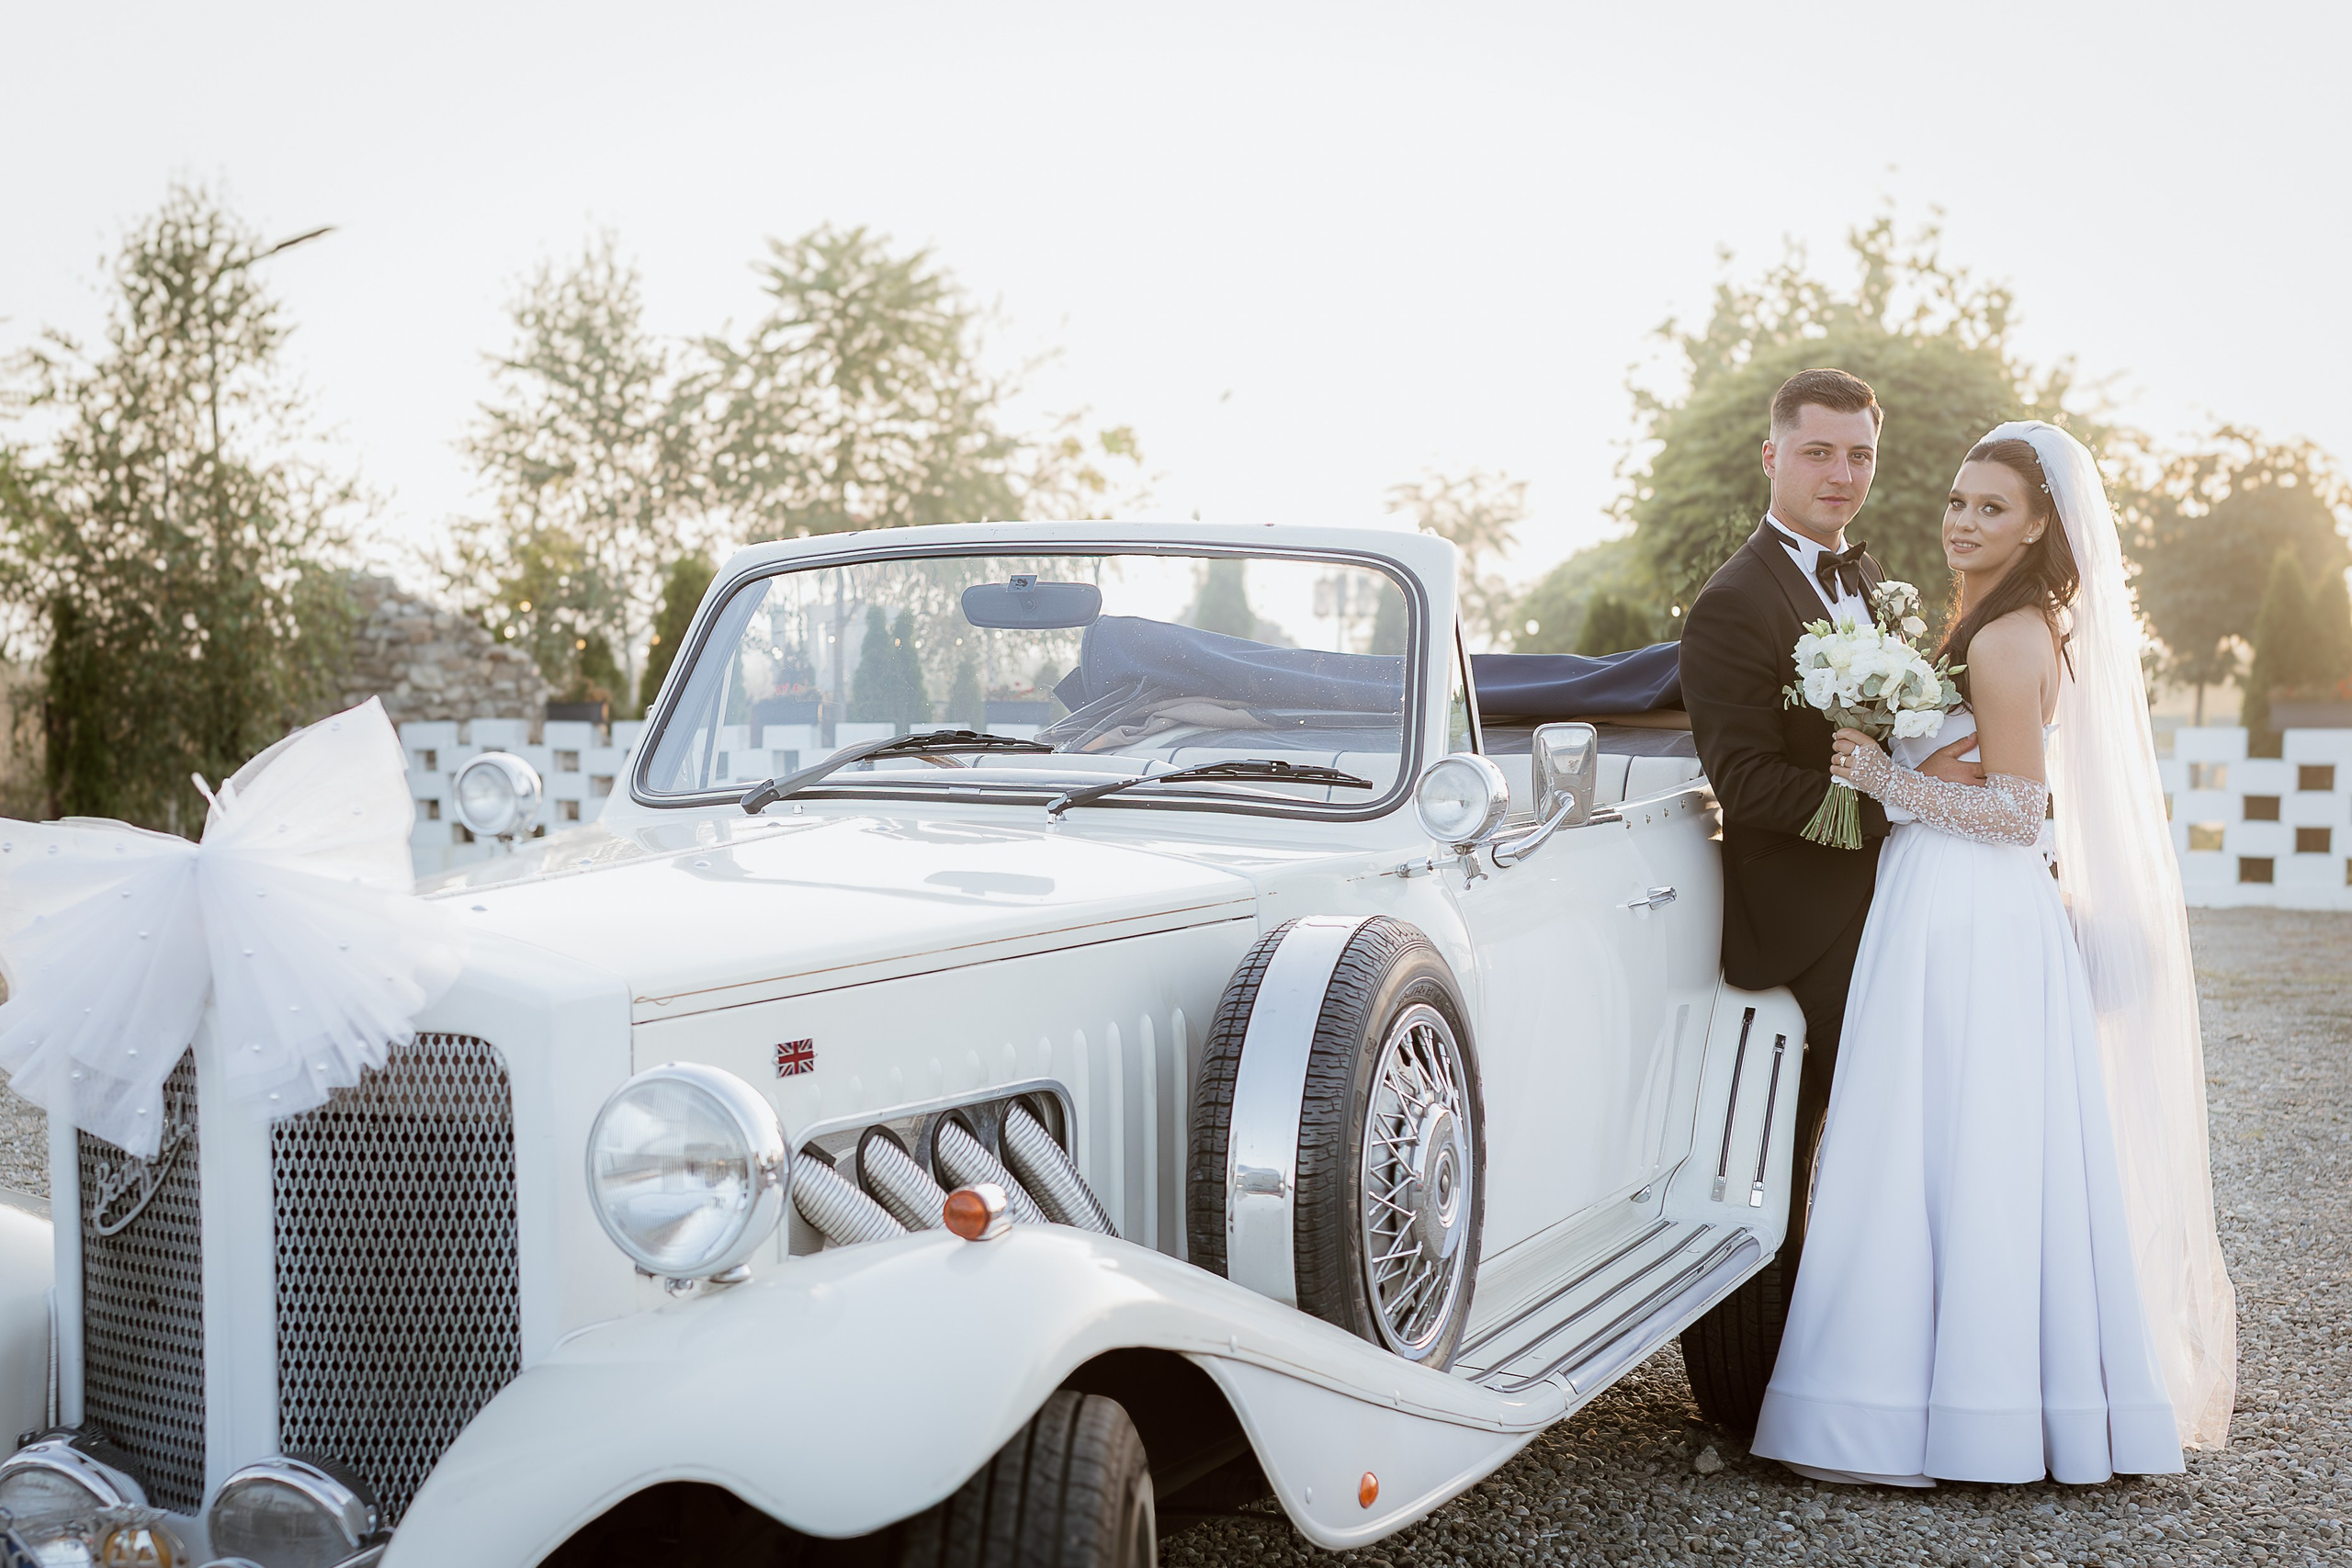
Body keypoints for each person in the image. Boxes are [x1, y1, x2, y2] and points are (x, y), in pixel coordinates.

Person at [1748, 423, 2237, 1485]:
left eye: (1991, 509)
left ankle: (1943, 1414)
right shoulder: (1984, 618)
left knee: (1959, 1147)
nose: (1962, 522)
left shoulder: (2010, 637)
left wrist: (1887, 782)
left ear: (2039, 526)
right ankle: (1934, 1404)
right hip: (1938, 903)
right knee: (1934, 1143)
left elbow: (2019, 815)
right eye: (1958, 501)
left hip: (1973, 914)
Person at [1677, 369, 1978, 1410]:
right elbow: (1748, 784)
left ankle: (1892, 1349)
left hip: (1889, 895)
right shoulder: (1731, 603)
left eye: (1858, 454)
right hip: (1806, 918)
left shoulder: (1872, 577)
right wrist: (1892, 813)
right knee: (1817, 1150)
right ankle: (1780, 1386)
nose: (1840, 474)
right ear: (1772, 457)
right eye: (1818, 452)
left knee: (1903, 1123)